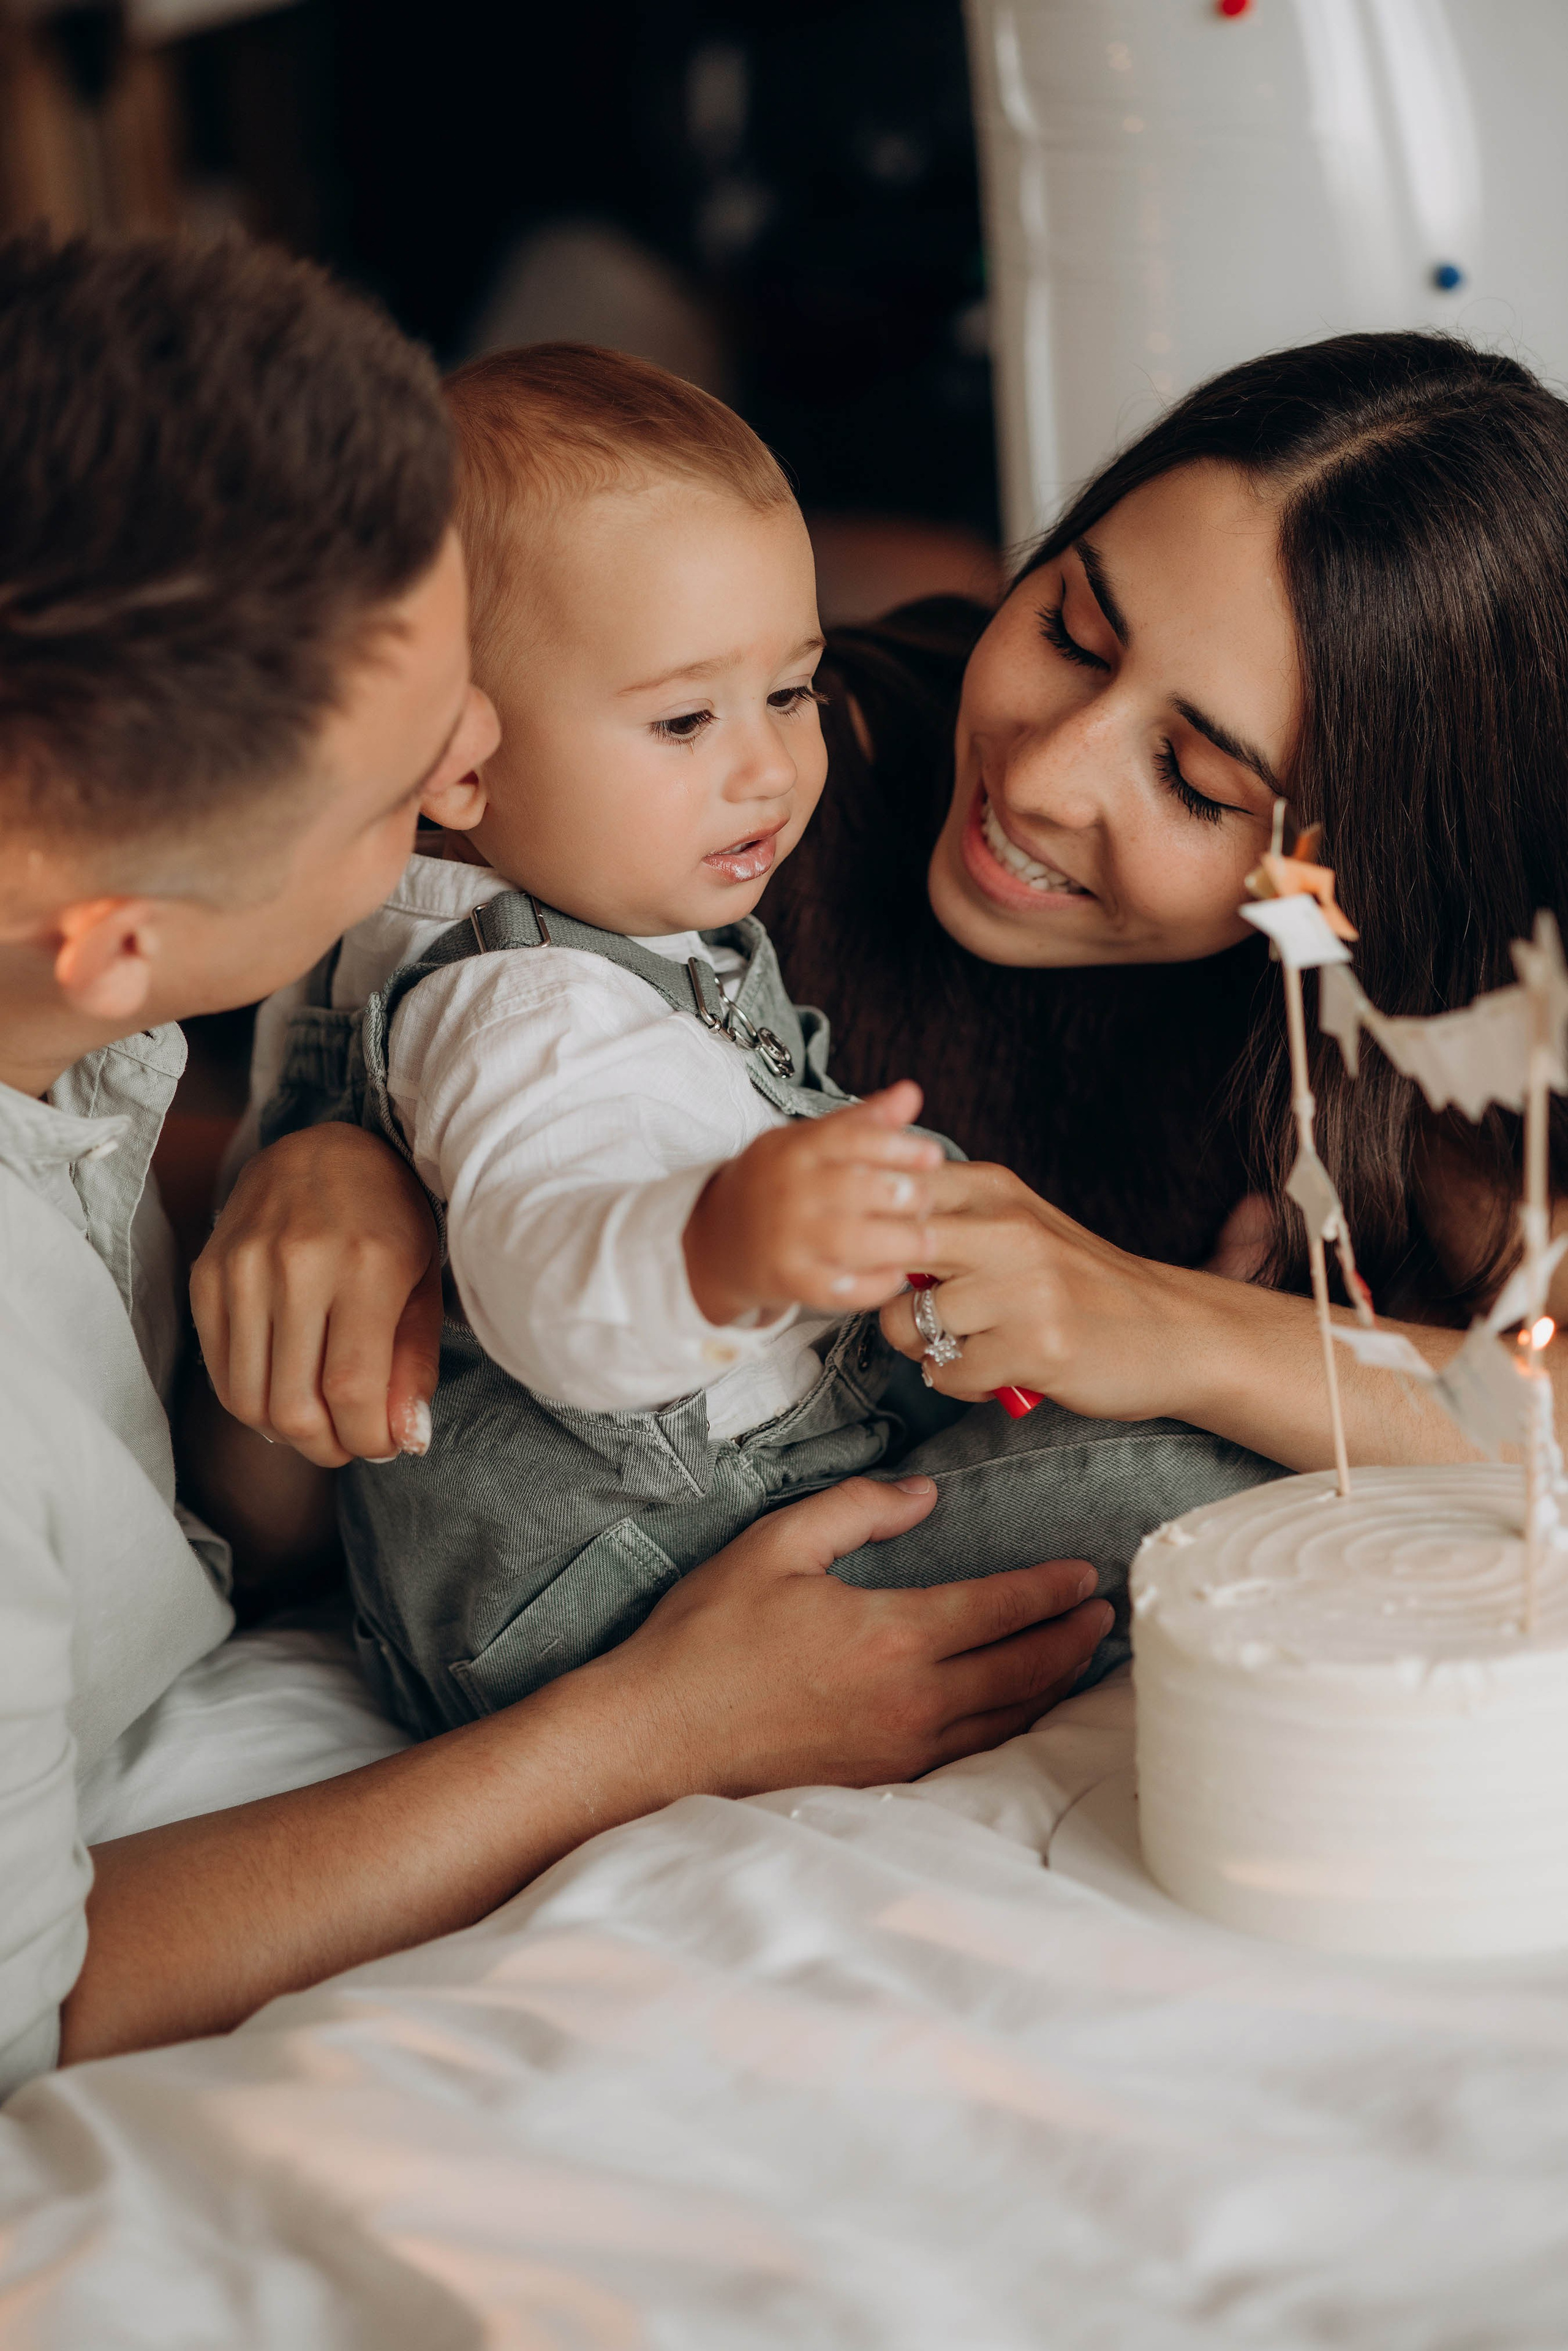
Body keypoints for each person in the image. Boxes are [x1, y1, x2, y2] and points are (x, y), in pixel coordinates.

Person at [0, 232, 1112, 2102]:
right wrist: (644, 1733)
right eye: (406, 789)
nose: (473, 787)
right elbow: (40, 1998)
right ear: (116, 933)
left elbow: (209, 1506)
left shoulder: (86, 1014)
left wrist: (349, 1145)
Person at [201, 330, 1568, 1483]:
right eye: (1068, 631)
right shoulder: (706, 792)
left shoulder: (1410, 1022)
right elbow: (251, 1526)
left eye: (1194, 780)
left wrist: (1175, 1328)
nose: (1039, 774)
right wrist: (355, 1145)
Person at [239, 344, 1271, 1735]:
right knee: (1207, 1489)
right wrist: (718, 1238)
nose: (773, 767)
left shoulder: (629, 890)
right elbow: (549, 1276)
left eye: (793, 688)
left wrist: (1192, 1327)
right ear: (457, 765)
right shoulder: (528, 1002)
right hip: (616, 1588)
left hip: (686, 1519)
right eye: (685, 717)